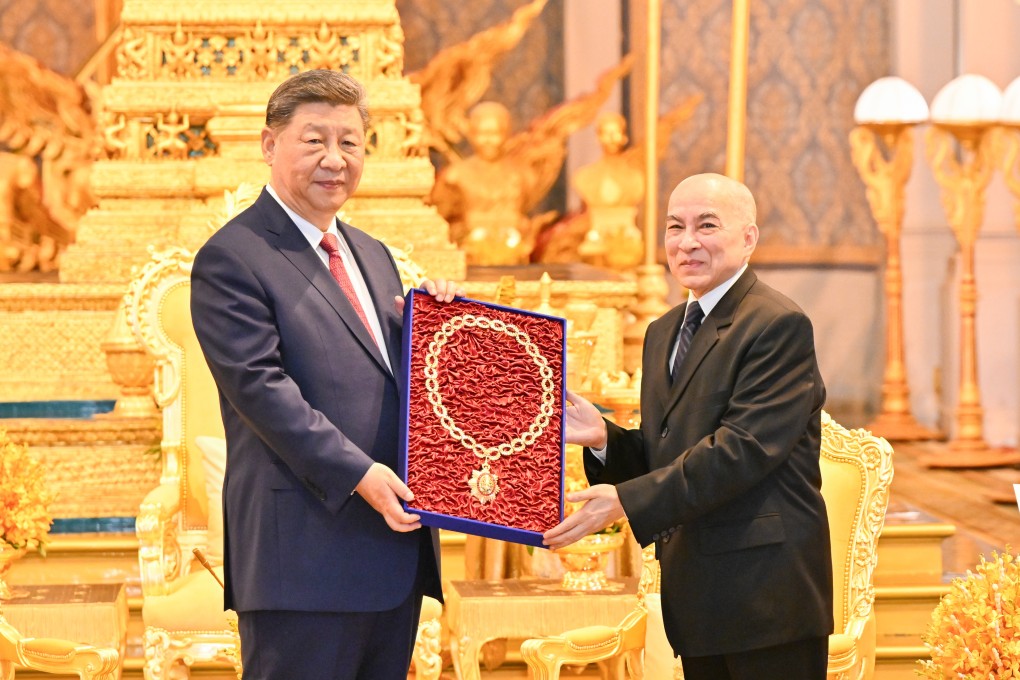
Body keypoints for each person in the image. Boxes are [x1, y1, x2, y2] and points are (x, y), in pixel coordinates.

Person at [190, 69, 459, 680]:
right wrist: (361, 474)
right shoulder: (233, 257)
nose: (335, 159)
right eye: (314, 140)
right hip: (302, 562)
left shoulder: (374, 254)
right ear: (269, 145)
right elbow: (263, 391)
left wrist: (444, 329)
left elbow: (393, 379)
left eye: (350, 142)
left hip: (393, 552)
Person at [544, 173, 833, 679]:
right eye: (675, 226)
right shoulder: (663, 331)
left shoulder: (776, 324)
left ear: (748, 238)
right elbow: (670, 450)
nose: (687, 242)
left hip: (766, 596)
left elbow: (740, 451)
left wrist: (627, 500)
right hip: (698, 597)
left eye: (707, 225)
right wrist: (606, 438)